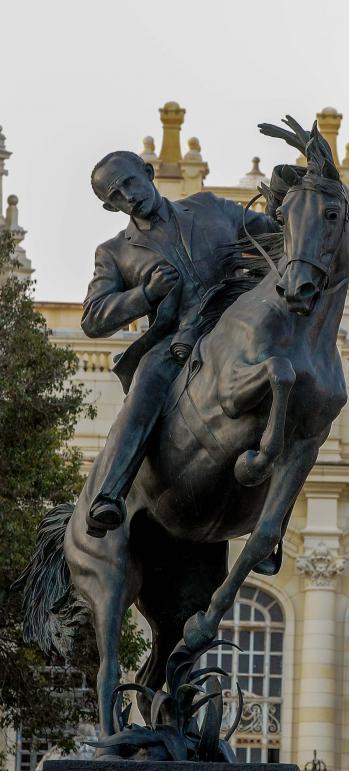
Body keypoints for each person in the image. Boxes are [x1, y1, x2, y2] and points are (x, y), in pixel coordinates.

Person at [82, 150, 278, 537]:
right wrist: (145, 295)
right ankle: (110, 493)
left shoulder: (209, 209)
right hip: (177, 344)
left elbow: (273, 234)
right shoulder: (115, 252)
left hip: (238, 330)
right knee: (143, 393)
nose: (128, 195)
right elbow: (93, 318)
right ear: (110, 206)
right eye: (116, 195)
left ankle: (275, 519)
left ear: (148, 172)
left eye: (130, 182)